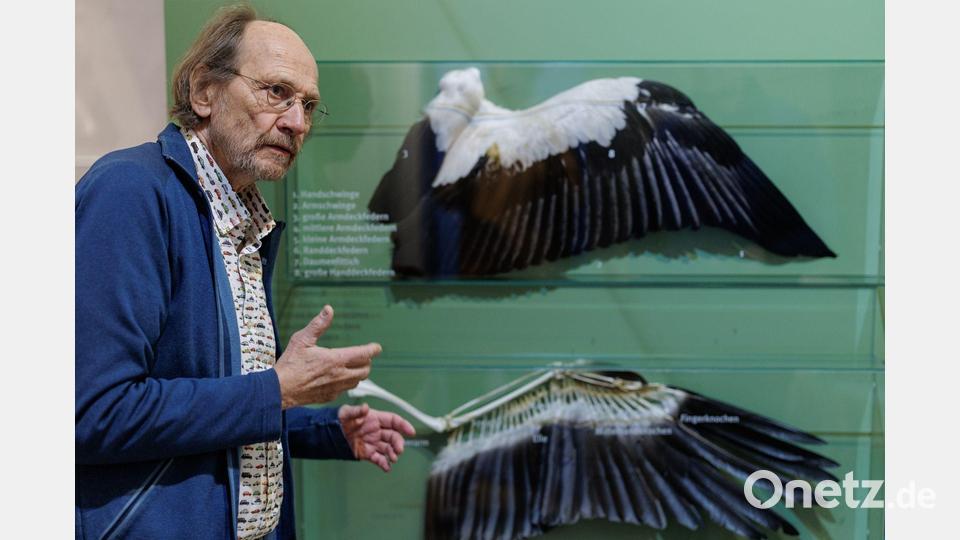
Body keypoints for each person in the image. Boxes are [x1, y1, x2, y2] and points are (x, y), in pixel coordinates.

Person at [75, 5, 415, 539]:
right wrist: (278, 390)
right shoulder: (131, 192)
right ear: (204, 92)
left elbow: (221, 399)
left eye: (308, 105)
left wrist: (324, 428)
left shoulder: (242, 218)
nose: (297, 122)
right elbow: (93, 413)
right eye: (276, 92)